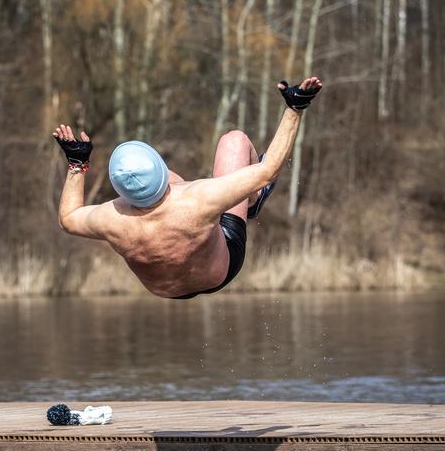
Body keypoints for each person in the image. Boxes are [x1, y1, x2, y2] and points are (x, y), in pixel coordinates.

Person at [53, 77, 322, 299]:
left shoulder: (111, 217)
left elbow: (68, 219)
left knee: (178, 185)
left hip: (165, 289)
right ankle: (252, 201)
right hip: (221, 269)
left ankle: (239, 200)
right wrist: (294, 109)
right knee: (234, 141)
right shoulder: (199, 200)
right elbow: (268, 171)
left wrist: (77, 164)